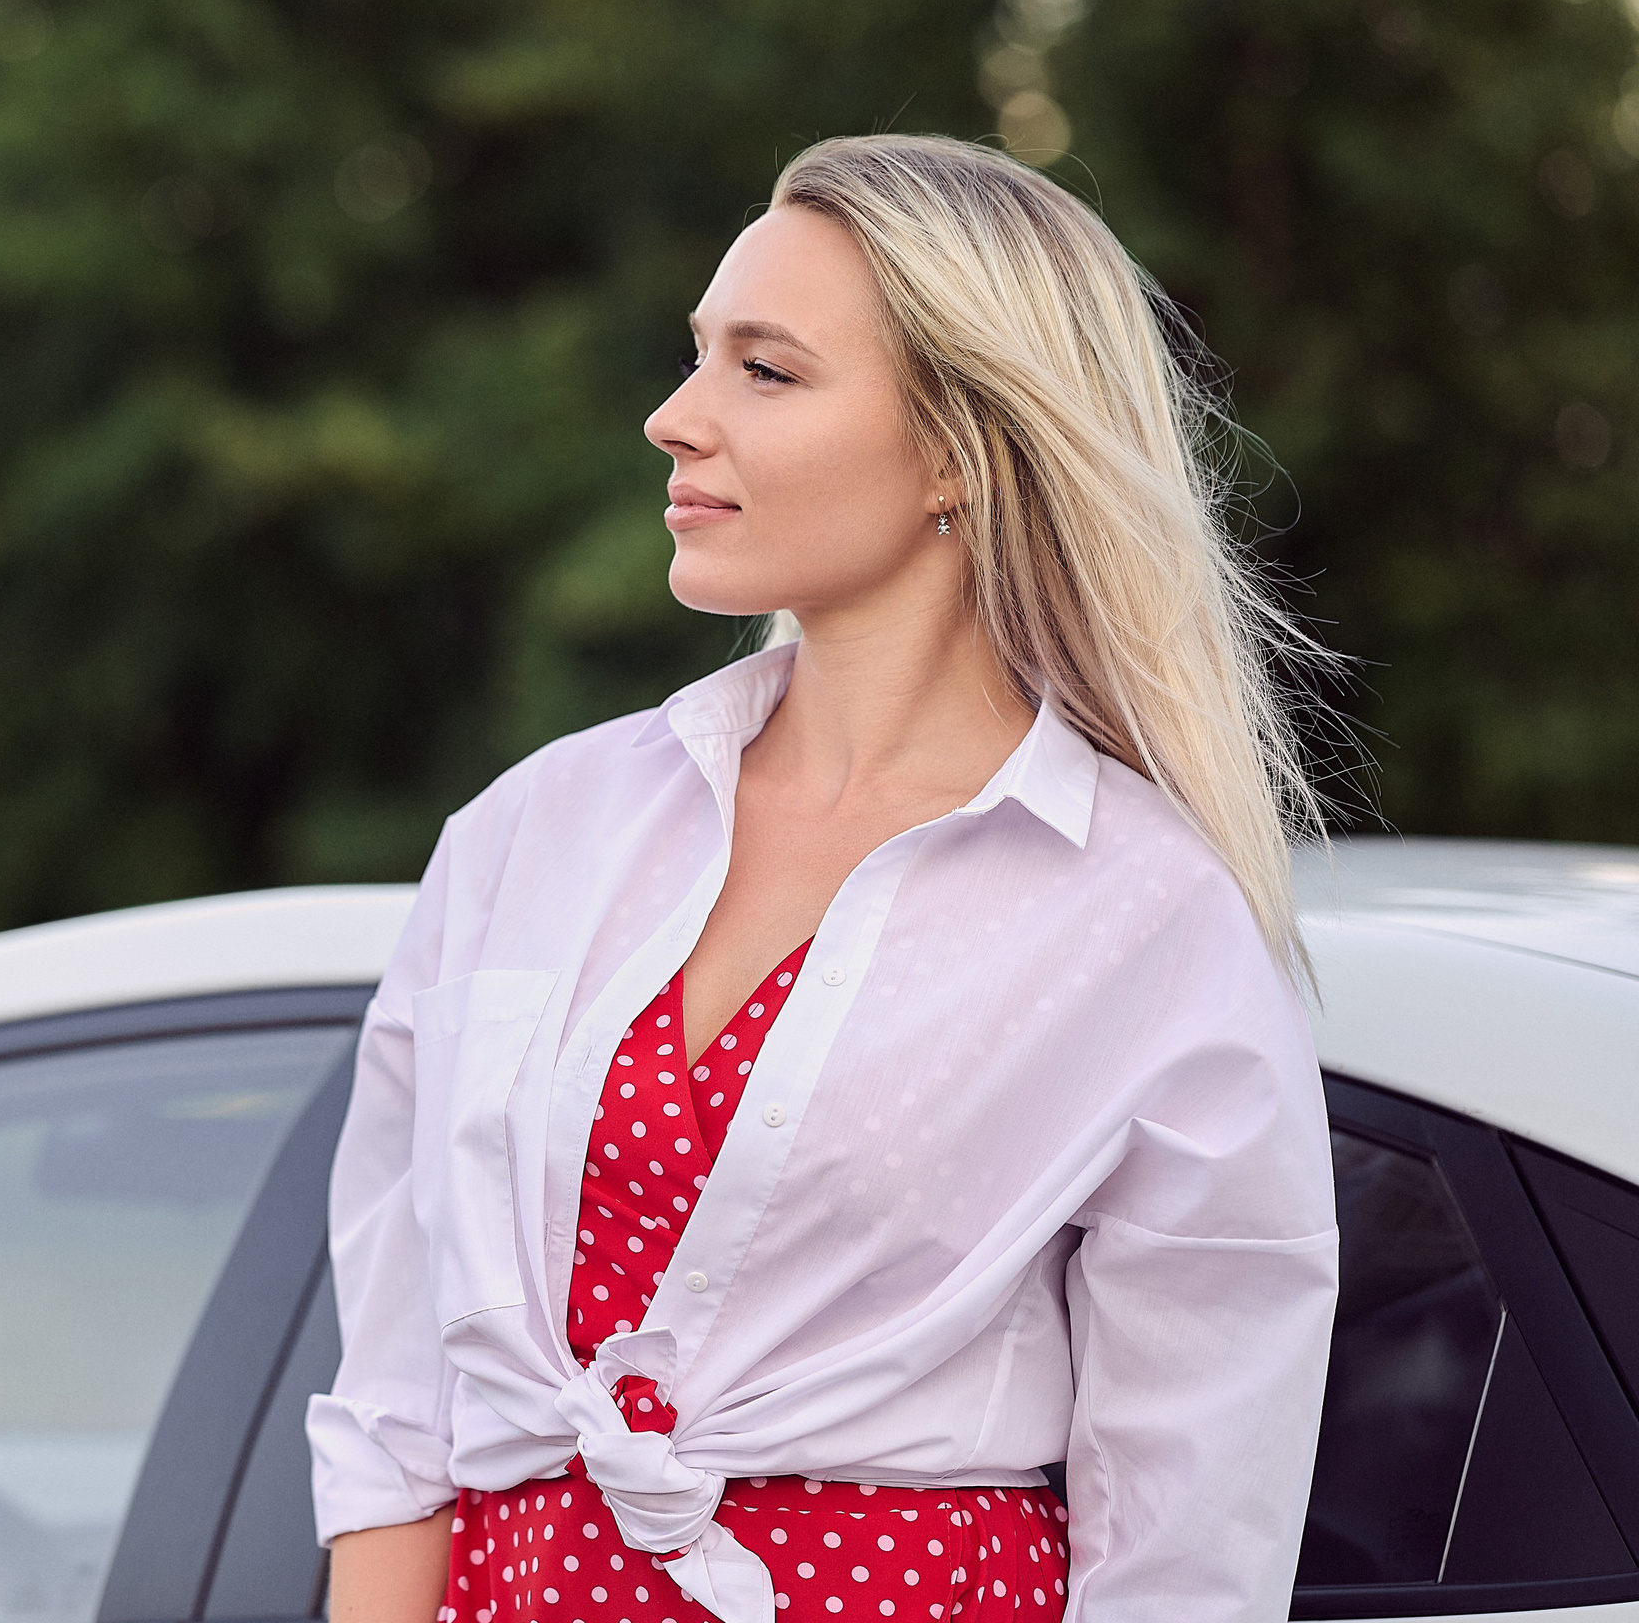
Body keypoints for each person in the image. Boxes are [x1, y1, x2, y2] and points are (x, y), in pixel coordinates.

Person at [306, 133, 1341, 1623]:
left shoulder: (1146, 921)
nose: (675, 420)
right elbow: (400, 1413)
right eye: (696, 359)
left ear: (958, 451)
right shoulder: (533, 834)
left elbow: (1190, 1547)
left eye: (765, 372)